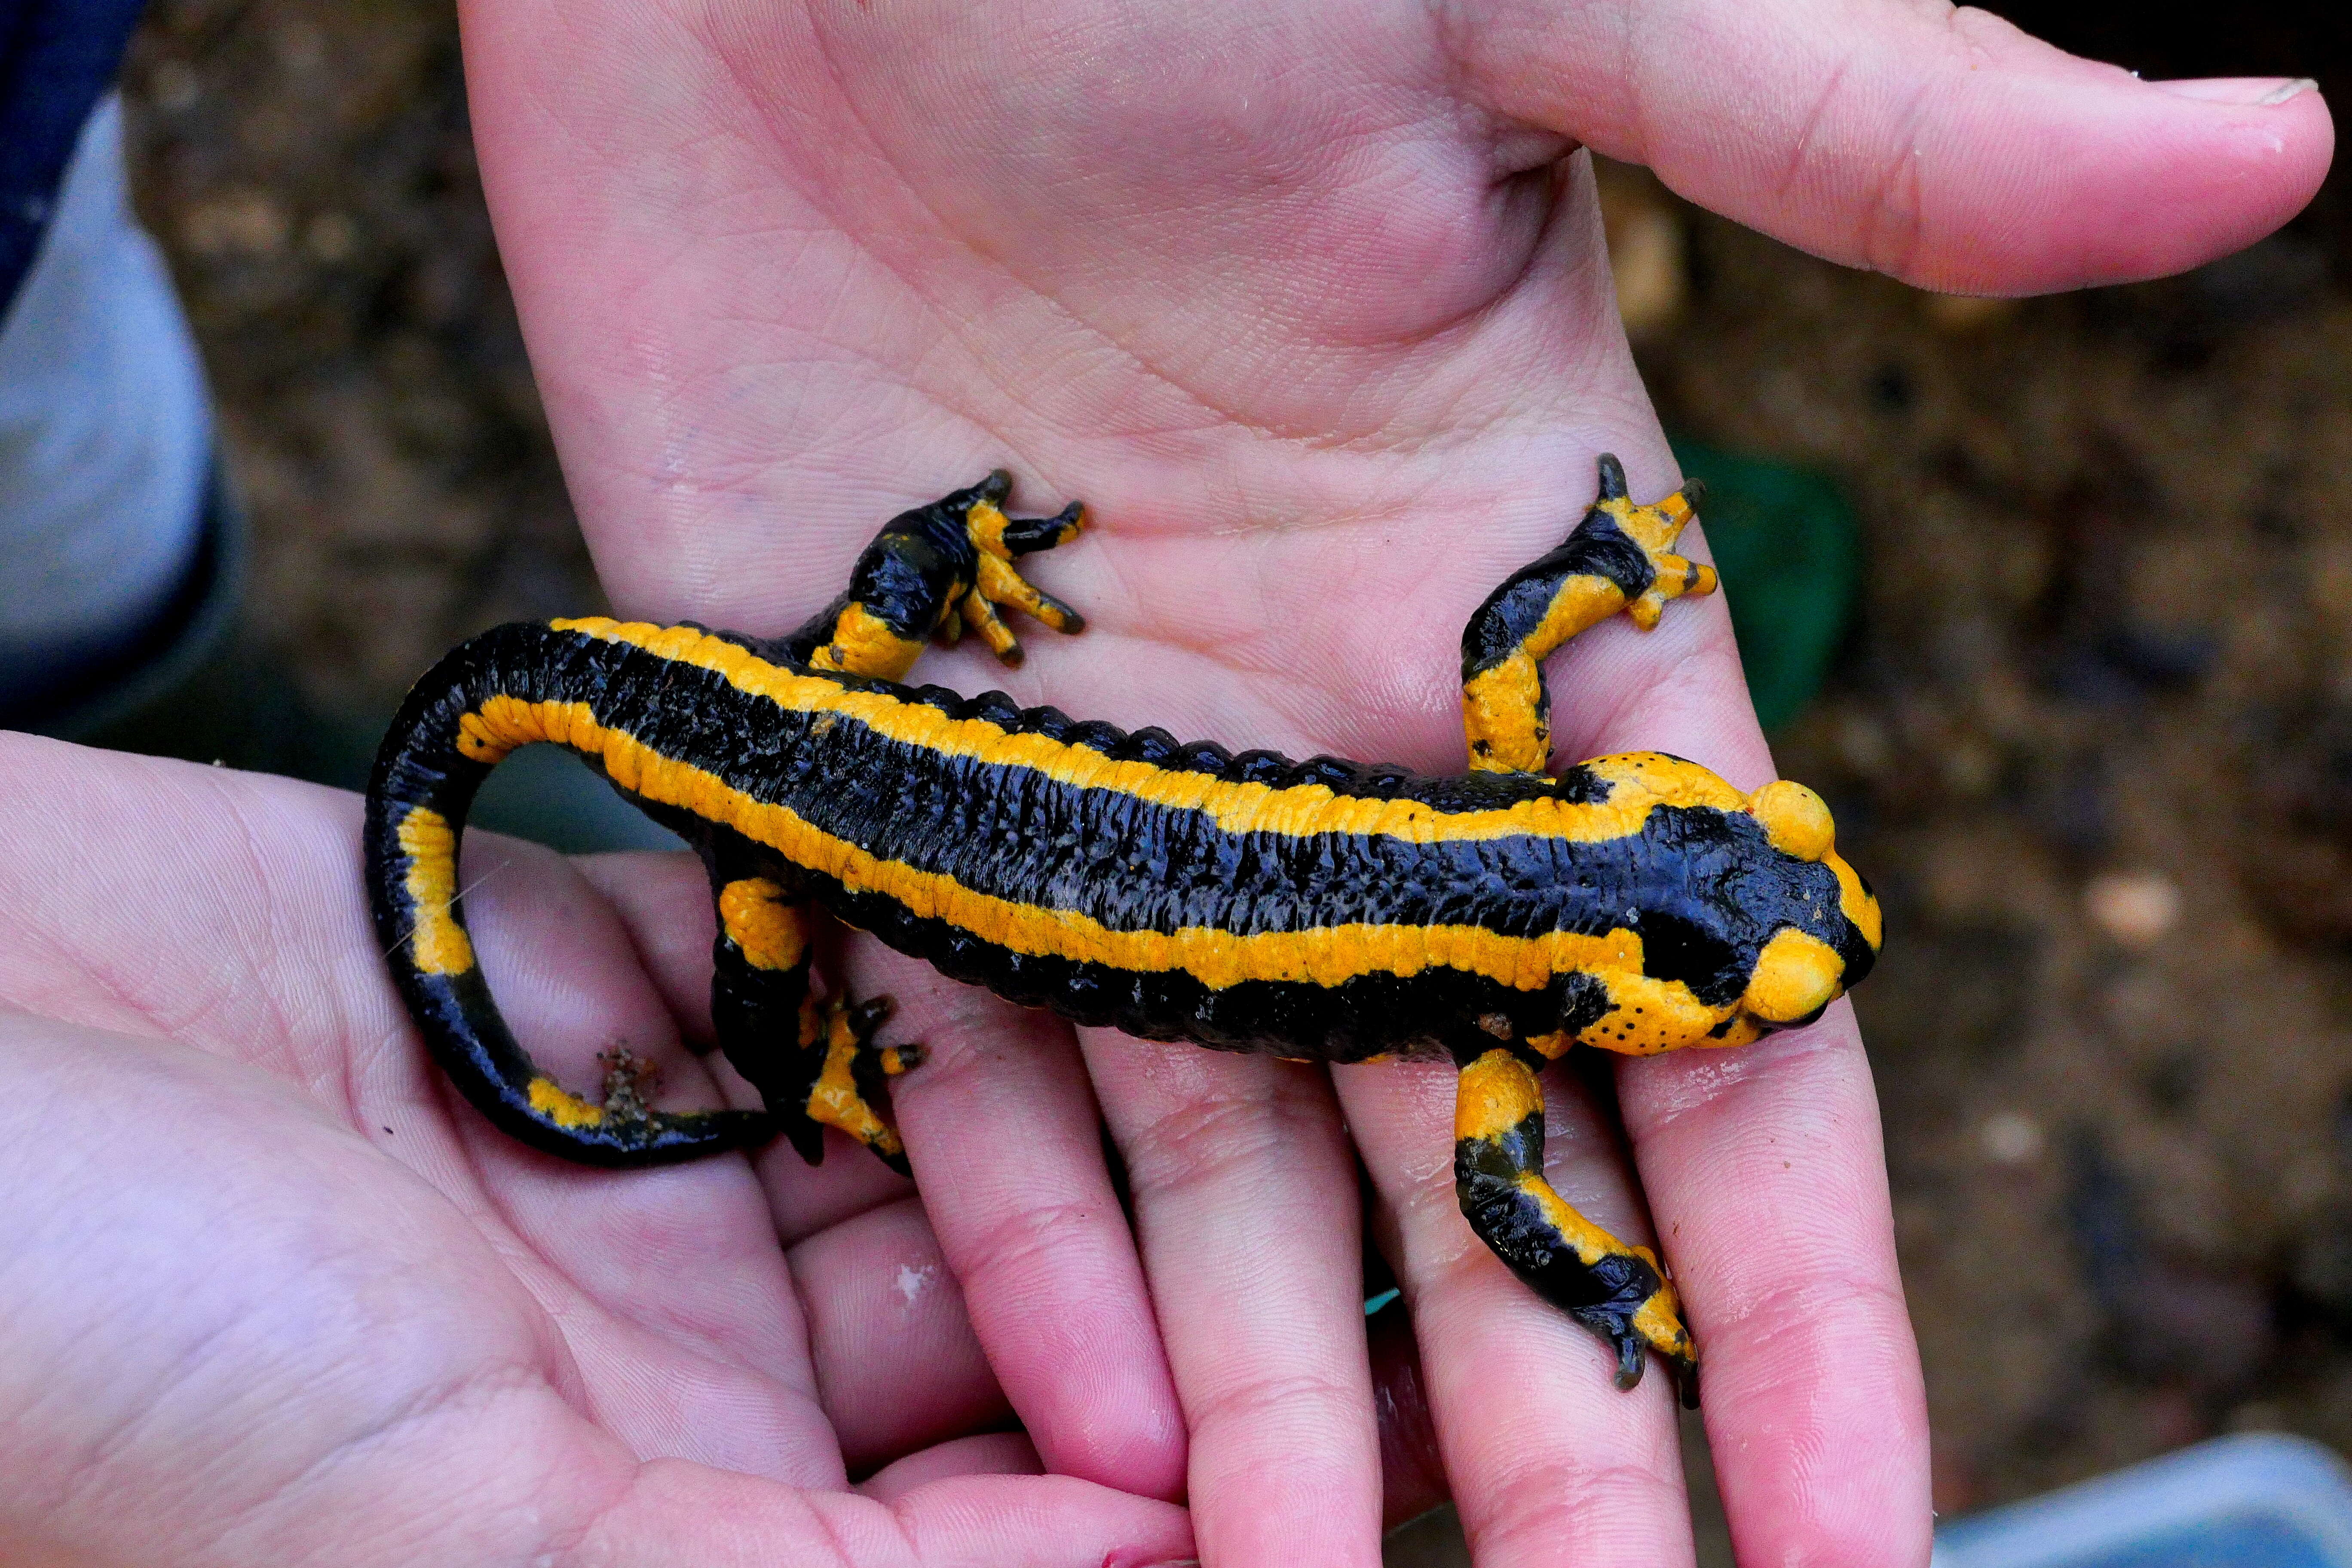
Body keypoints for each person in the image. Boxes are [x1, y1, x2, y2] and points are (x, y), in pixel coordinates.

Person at [0, 0, 2330, 1562]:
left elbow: (1520, 653)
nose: (1779, 946)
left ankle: (284, 736)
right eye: (1752, 944)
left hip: (848, 736)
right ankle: (636, 968)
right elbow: (1515, 1204)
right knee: (777, 909)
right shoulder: (1507, 994)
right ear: (1624, 922)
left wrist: (1607, 569)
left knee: (776, 797)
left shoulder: (1516, 818)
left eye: (1751, 950)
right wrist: (1606, 1282)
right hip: (813, 790)